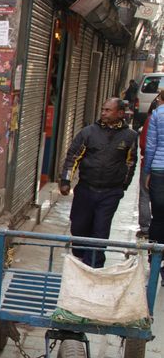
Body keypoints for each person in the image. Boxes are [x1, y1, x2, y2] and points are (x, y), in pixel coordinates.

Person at [59, 97, 137, 267]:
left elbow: (130, 163)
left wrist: (123, 186)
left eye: (108, 110)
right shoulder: (88, 132)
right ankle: (79, 258)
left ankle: (94, 266)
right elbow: (73, 157)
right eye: (103, 109)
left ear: (120, 113)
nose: (103, 113)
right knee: (79, 227)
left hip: (110, 193)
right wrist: (65, 180)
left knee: (100, 231)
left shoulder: (130, 136)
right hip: (86, 189)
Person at [136, 89, 164, 236]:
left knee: (158, 215)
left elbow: (150, 146)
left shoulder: (156, 115)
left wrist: (147, 171)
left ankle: (154, 248)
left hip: (158, 169)